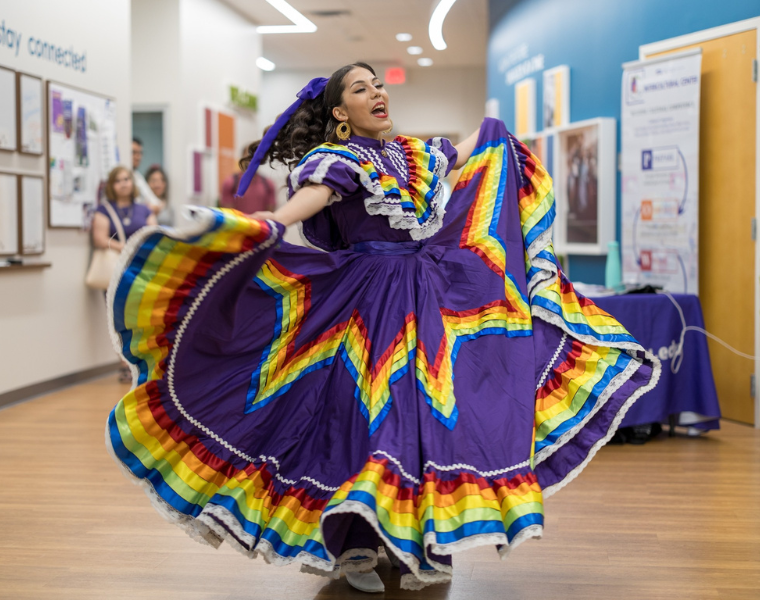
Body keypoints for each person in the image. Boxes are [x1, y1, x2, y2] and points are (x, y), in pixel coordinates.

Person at [105, 63, 660, 592]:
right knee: (364, 414)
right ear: (341, 112)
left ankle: (409, 536)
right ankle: (354, 543)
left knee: (421, 414)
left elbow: (468, 153)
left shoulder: (415, 155)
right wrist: (269, 224)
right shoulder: (335, 159)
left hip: (430, 298)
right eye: (361, 88)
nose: (377, 94)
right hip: (364, 301)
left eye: (378, 85)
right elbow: (312, 199)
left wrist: (494, 133)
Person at [91, 166, 156, 382]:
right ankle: (125, 363)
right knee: (118, 317)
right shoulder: (104, 210)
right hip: (115, 272)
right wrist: (125, 247)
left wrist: (134, 247)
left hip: (140, 270)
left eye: (127, 179)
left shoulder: (144, 210)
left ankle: (142, 360)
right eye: (118, 180)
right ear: (111, 185)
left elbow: (153, 235)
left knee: (142, 316)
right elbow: (100, 239)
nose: (124, 183)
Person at [220, 144, 277, 214]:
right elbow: (228, 214)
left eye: (255, 156)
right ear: (242, 158)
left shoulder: (268, 183)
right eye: (249, 156)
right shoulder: (230, 182)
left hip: (260, 224)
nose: (252, 160)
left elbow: (270, 213)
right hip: (238, 224)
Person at [131, 137, 164, 215]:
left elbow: (156, 205)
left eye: (140, 153)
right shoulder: (124, 176)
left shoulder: (138, 176)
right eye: (133, 152)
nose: (138, 157)